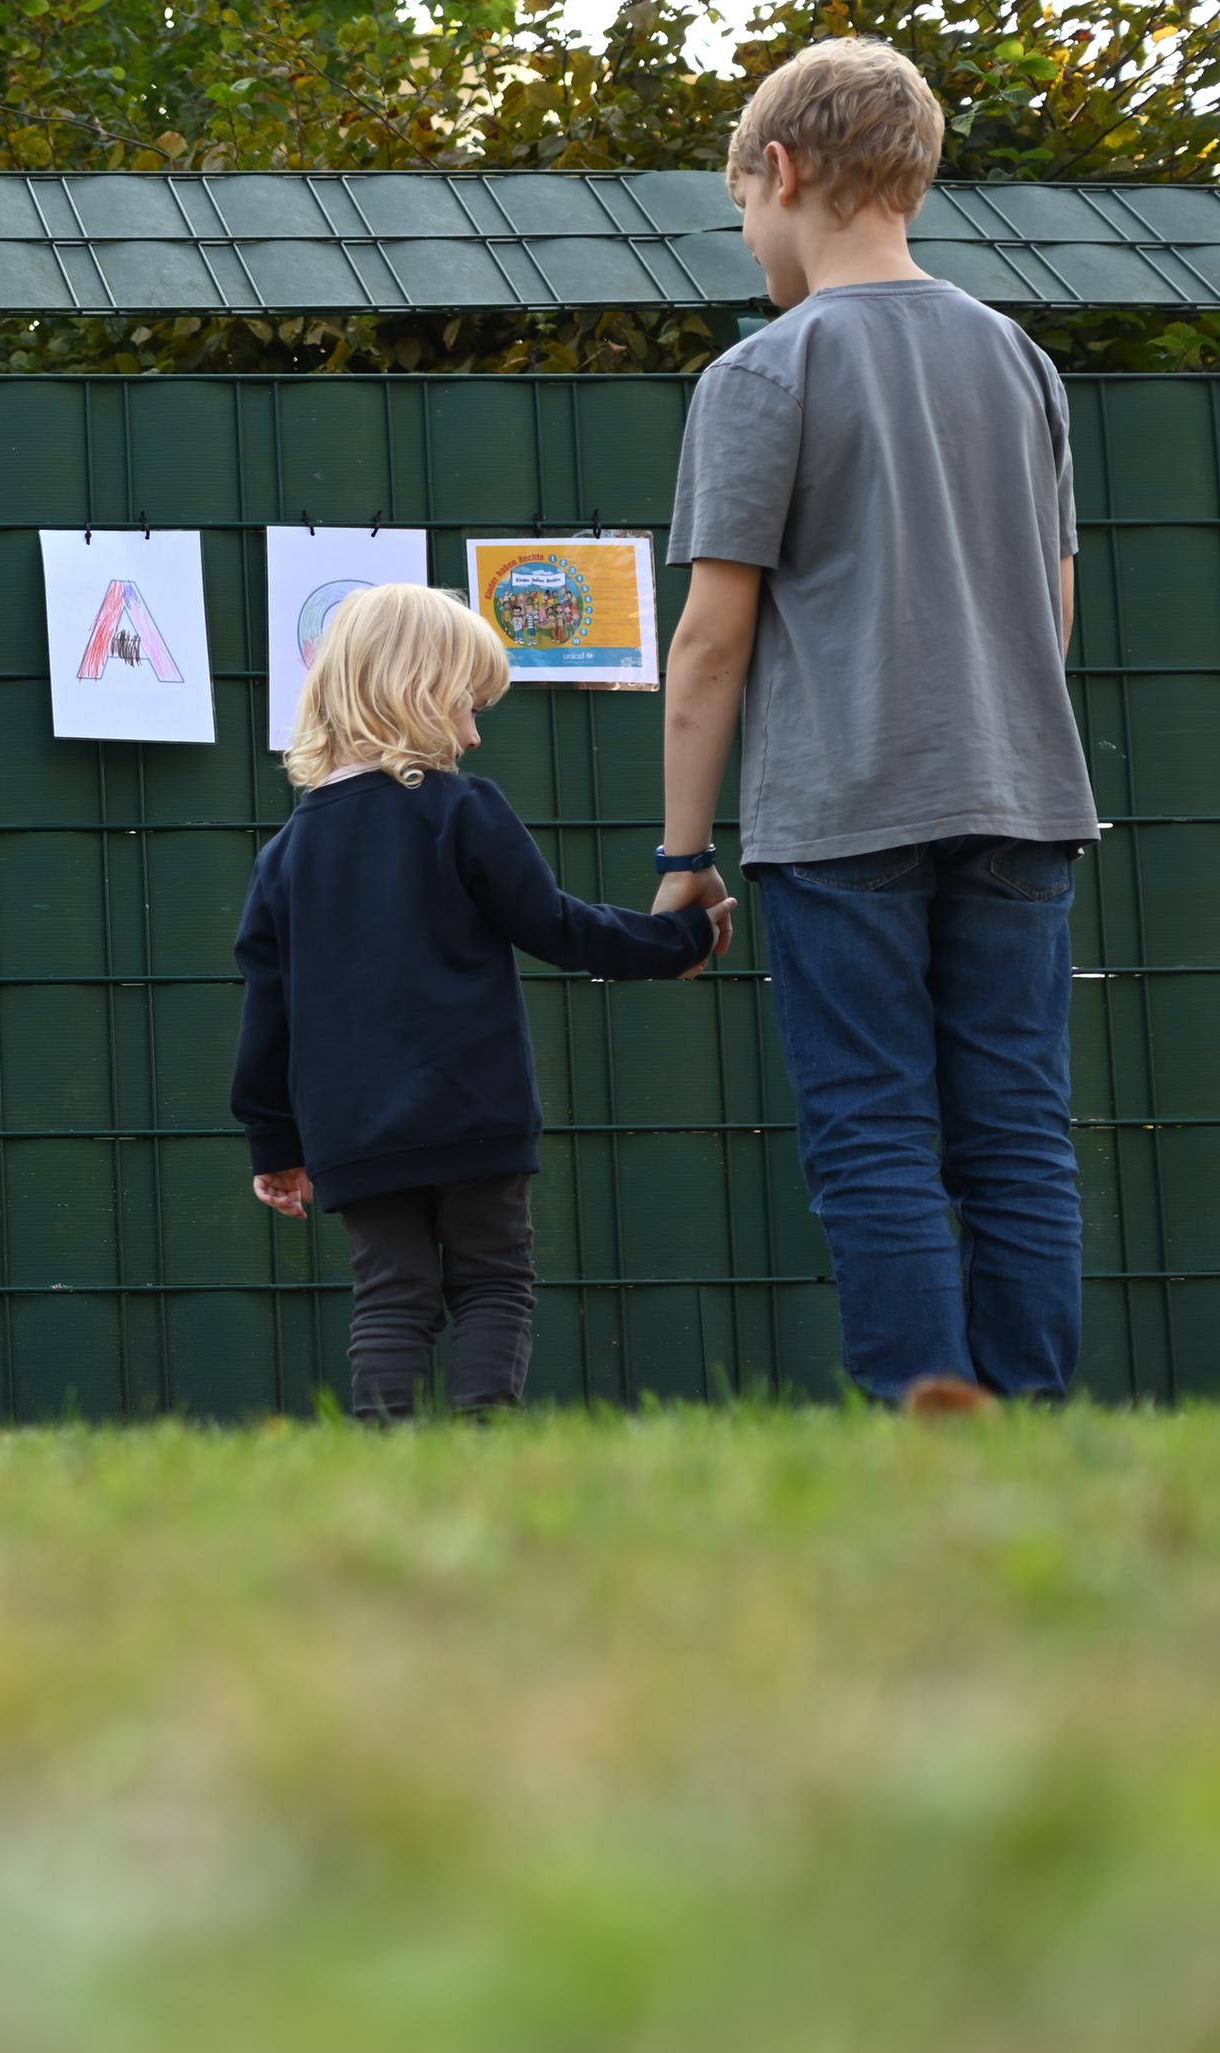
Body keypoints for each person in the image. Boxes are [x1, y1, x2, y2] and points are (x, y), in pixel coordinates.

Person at [656, 38, 1095, 1408]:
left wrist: (685, 854)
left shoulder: (763, 373)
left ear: (781, 171)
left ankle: (926, 1413)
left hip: (844, 812)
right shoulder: (1019, 358)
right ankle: (1025, 1422)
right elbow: (1055, 600)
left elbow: (710, 644)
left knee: (872, 1128)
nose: (749, 243)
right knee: (1019, 1131)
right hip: (1024, 798)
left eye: (743, 210)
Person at [234, 586, 732, 1419]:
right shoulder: (462, 812)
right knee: (494, 1281)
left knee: (391, 1295)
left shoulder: (287, 855)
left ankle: (384, 1457)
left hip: (353, 1128)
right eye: (467, 705)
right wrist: (681, 939)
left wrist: (273, 1142)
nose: (472, 731)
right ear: (419, 694)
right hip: (476, 1106)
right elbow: (559, 928)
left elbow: (267, 1012)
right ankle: (480, 1443)